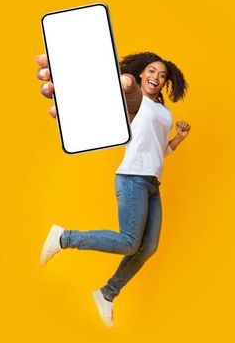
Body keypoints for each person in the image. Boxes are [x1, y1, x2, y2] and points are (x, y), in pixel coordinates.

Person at [35, 51, 191, 328]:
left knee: (148, 247)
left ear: (166, 82)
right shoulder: (134, 102)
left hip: (152, 181)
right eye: (152, 71)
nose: (157, 77)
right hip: (132, 177)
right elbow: (119, 93)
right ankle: (64, 238)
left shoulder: (164, 111)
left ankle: (106, 294)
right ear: (142, 73)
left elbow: (160, 150)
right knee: (130, 242)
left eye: (163, 75)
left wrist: (178, 138)